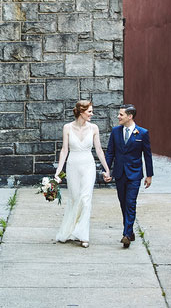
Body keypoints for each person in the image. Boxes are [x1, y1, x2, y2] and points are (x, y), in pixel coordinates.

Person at [54, 100, 111, 248]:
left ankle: (83, 235)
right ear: (81, 111)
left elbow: (98, 150)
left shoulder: (94, 128)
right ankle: (70, 230)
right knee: (74, 198)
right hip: (73, 165)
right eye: (89, 111)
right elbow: (64, 150)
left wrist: (107, 168)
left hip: (88, 165)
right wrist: (58, 171)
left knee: (86, 199)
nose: (92, 114)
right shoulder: (67, 127)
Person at [103, 104, 153, 248]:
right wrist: (107, 171)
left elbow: (147, 155)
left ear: (129, 116)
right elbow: (110, 153)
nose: (118, 117)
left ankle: (126, 234)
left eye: (121, 115)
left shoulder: (142, 133)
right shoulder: (115, 132)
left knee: (130, 203)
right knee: (123, 203)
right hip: (119, 174)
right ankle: (130, 232)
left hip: (135, 174)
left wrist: (149, 175)